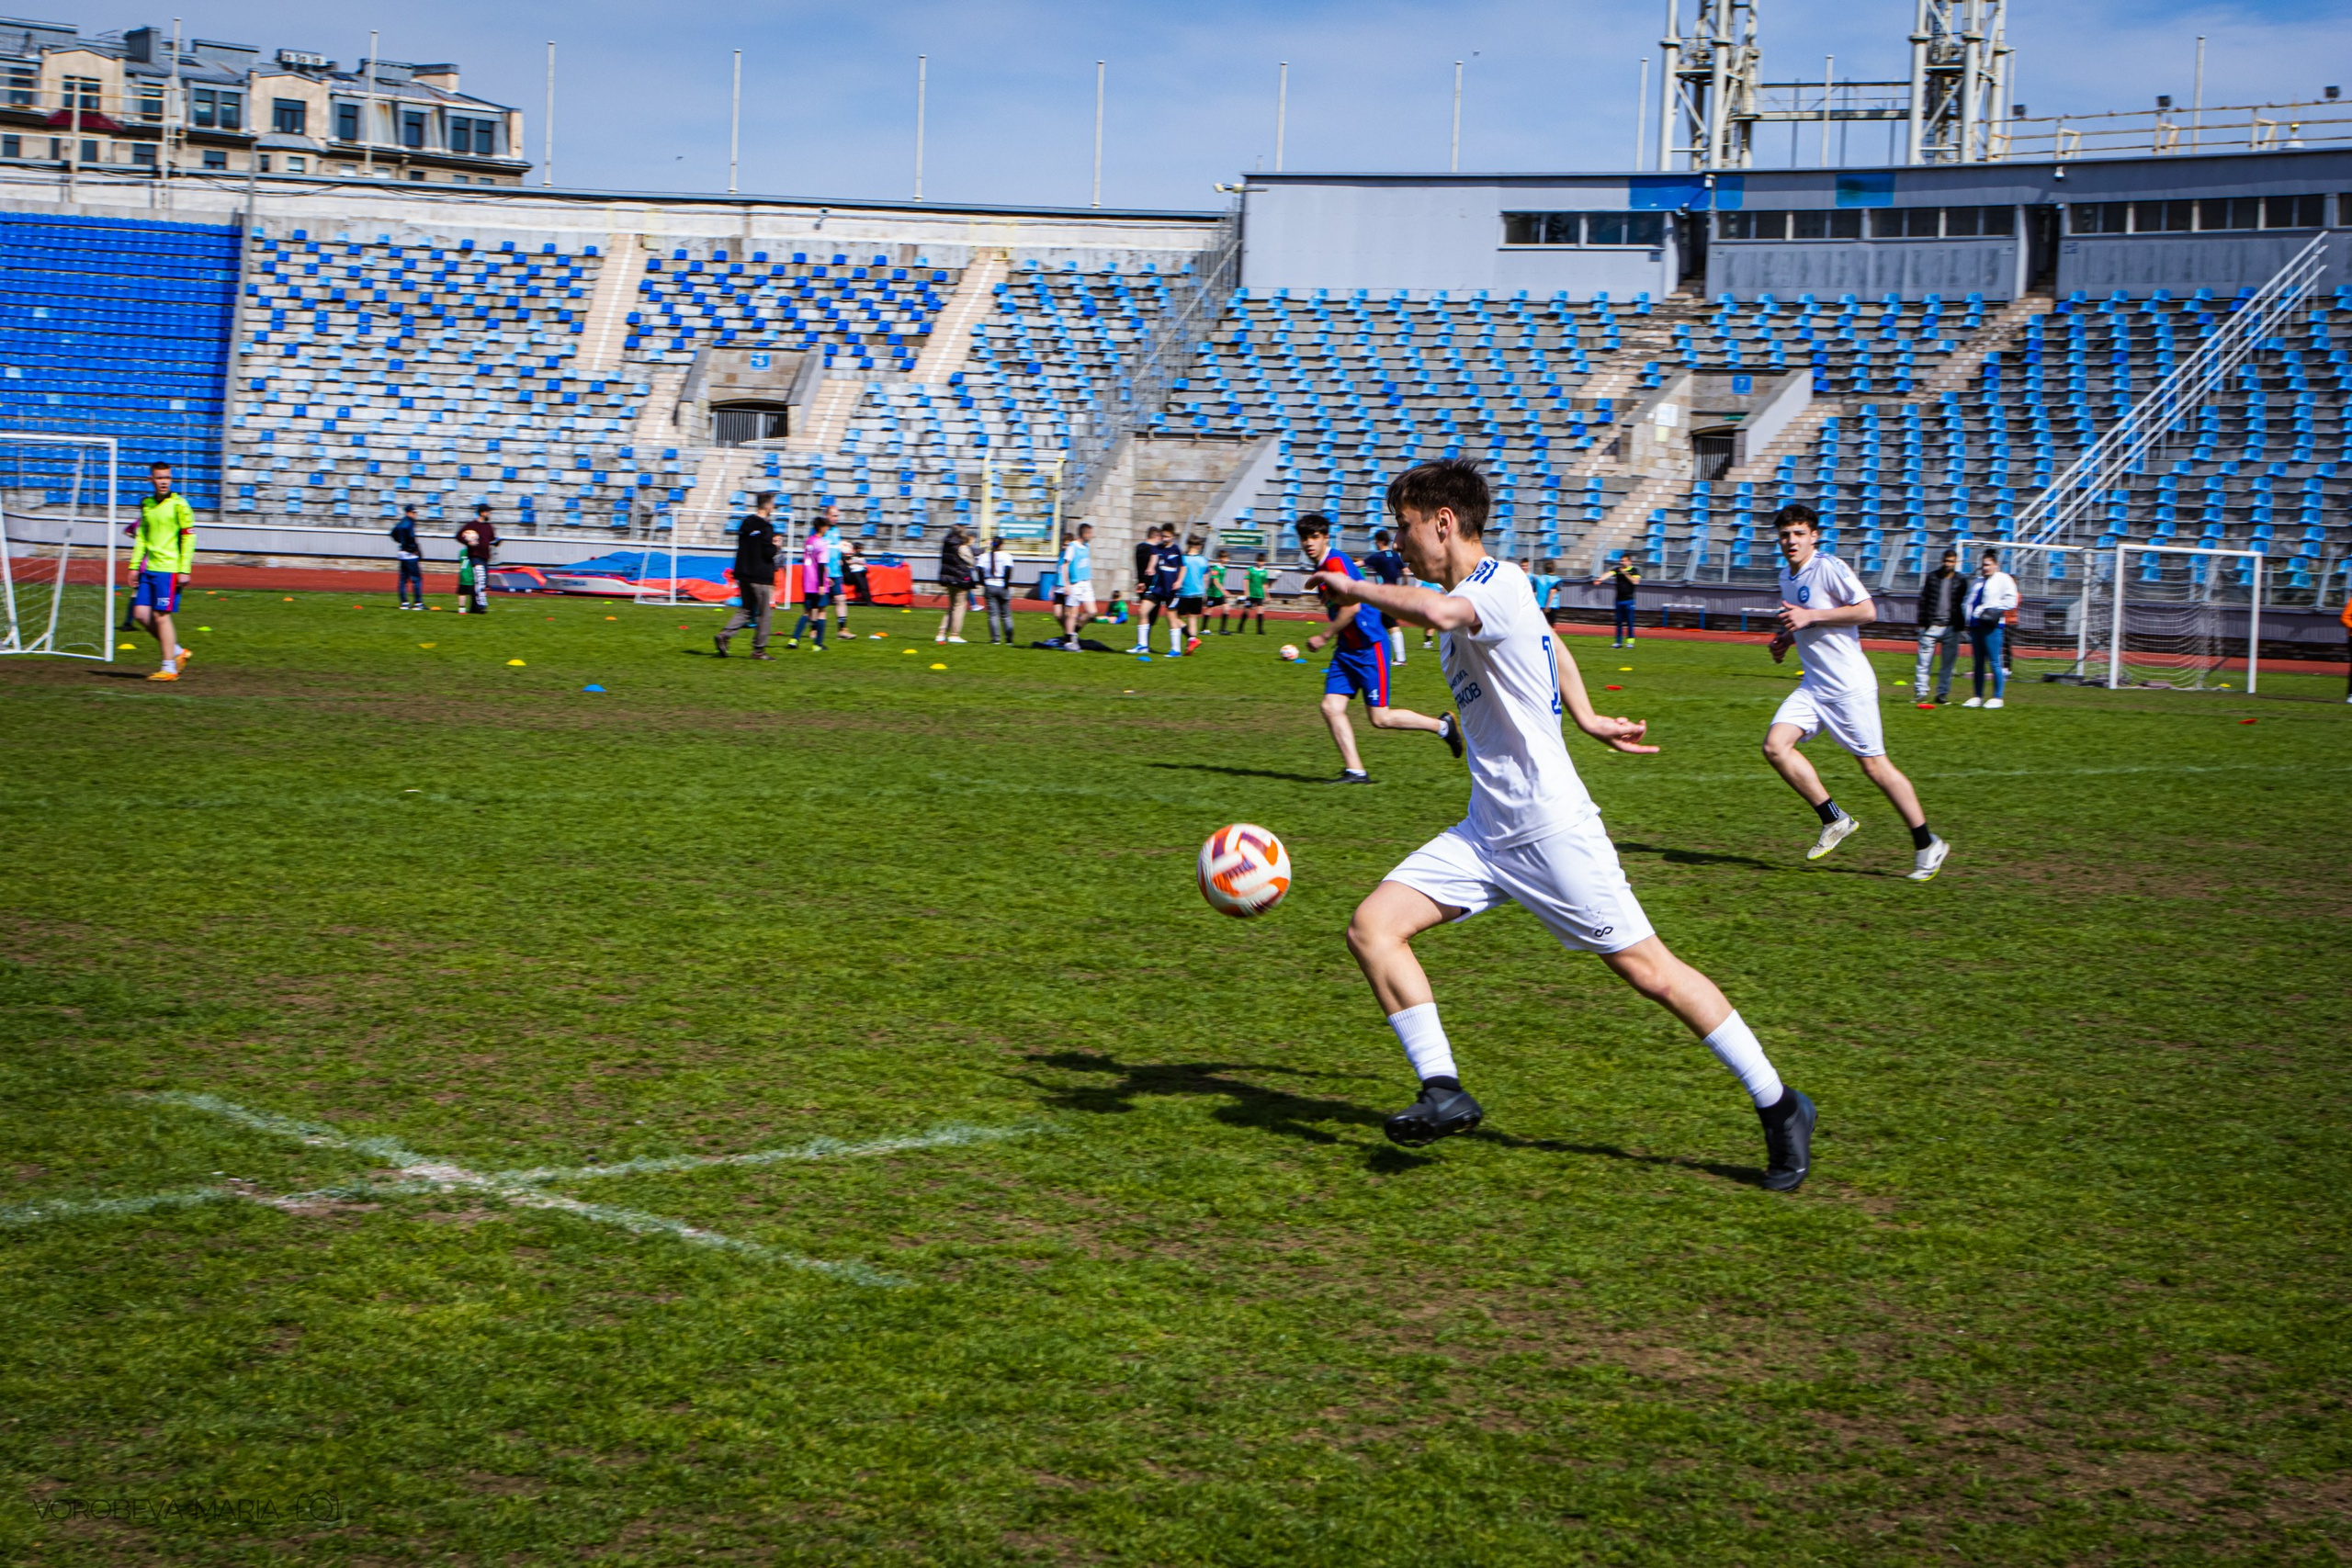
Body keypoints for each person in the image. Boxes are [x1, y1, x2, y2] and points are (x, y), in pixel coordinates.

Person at [1310, 457, 1815, 1190]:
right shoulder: (1480, 598)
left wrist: (1354, 586)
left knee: (1652, 972)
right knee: (1372, 926)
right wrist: (1585, 715)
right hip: (1488, 829)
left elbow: (1458, 616)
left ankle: (1780, 1103)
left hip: (1551, 831)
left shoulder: (1496, 586)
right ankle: (1443, 1087)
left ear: (1444, 524)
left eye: (1406, 527)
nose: (1401, 540)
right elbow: (1553, 644)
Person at [1760, 503, 1950, 882]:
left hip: (1848, 687)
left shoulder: (1829, 566)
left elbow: (1866, 611)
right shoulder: (1786, 574)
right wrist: (1786, 638)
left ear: (1814, 536)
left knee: (1875, 767)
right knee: (1775, 746)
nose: (1791, 541)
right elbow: (1807, 620)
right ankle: (1835, 819)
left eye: (1799, 534)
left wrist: (1810, 616)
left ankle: (1928, 843)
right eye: (1785, 535)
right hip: (1815, 685)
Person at [1295, 512, 1461, 784]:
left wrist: (1323, 637)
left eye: (1315, 536)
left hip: (1369, 646)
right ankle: (1356, 771)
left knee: (1380, 718)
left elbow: (1353, 607)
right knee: (1330, 707)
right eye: (1304, 538)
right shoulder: (1323, 567)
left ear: (1326, 537)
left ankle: (1442, 726)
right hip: (1347, 649)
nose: (1308, 543)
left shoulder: (1335, 563)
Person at [128, 461, 193, 681]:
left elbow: (189, 537)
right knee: (140, 615)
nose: (163, 481)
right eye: (159, 477)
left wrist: (185, 569)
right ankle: (177, 652)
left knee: (160, 615)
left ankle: (169, 668)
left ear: (171, 479)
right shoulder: (146, 505)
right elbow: (142, 538)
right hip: (150, 569)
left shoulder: (179, 505)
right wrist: (134, 566)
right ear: (151, 480)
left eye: (167, 477)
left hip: (169, 569)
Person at [716, 492, 780, 660]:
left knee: (746, 609)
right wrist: (776, 547)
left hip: (743, 573)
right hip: (760, 575)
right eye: (773, 504)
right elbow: (768, 552)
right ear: (767, 506)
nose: (774, 507)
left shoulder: (746, 523)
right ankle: (759, 650)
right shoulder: (766, 528)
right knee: (764, 613)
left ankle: (725, 635)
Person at [1962, 547, 2018, 708]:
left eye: (1988, 564)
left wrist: (1992, 608)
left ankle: (1997, 697)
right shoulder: (1978, 581)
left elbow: (2011, 600)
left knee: (1994, 661)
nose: (1985, 568)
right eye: (1983, 565)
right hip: (1976, 625)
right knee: (1978, 662)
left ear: (1996, 565)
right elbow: (1969, 601)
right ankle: (1977, 696)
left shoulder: (2003, 579)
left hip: (1991, 625)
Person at [1912, 547, 1966, 704]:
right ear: (1942, 561)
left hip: (1951, 626)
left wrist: (1960, 624)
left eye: (1952, 561)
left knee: (1947, 665)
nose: (1948, 564)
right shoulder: (1932, 577)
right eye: (1946, 561)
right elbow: (1923, 601)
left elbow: (1962, 603)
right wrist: (1922, 623)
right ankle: (1921, 693)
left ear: (1956, 563)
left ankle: (1942, 694)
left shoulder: (1961, 581)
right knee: (1923, 662)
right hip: (1931, 626)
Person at [791, 513, 836, 650]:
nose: (828, 529)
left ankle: (794, 639)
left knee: (807, 612)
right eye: (827, 527)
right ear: (822, 528)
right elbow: (821, 565)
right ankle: (817, 644)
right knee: (822, 612)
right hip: (818, 583)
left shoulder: (808, 541)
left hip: (807, 581)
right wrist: (823, 583)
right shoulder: (822, 543)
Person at [1365, 528, 1409, 663]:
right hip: (1394, 594)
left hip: (1383, 596)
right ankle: (1382, 656)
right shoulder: (1395, 556)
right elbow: (1406, 572)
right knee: (1380, 623)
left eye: (1376, 541)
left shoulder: (1377, 557)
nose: (1375, 543)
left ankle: (1401, 659)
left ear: (1380, 542)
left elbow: (1360, 564)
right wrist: (1403, 587)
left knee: (1390, 624)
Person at [1142, 526, 1184, 658]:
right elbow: (1153, 558)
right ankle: (1142, 645)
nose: (1164, 539)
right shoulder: (1158, 548)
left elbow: (1183, 568)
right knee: (1142, 611)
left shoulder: (1176, 550)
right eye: (1163, 536)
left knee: (1171, 617)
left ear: (1172, 536)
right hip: (1157, 588)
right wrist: (1150, 567)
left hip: (1171, 589)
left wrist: (1179, 582)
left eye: (1167, 536)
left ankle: (1176, 650)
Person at [934, 525, 977, 644]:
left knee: (952, 607)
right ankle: (954, 634)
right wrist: (970, 546)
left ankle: (941, 633)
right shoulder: (961, 546)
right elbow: (971, 561)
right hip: (960, 578)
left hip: (948, 578)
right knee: (959, 607)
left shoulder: (946, 544)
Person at [1057, 523, 1096, 649]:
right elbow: (1065, 565)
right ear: (1084, 534)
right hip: (1076, 584)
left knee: (1092, 612)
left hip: (1086, 583)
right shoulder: (1072, 547)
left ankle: (1072, 632)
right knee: (1072, 614)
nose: (1092, 536)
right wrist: (1067, 585)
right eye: (1090, 533)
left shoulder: (1086, 546)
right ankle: (1069, 642)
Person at [455, 504, 496, 615]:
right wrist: (468, 542)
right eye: (488, 512)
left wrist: (496, 542)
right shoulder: (471, 525)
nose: (489, 514)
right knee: (480, 580)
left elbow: (491, 539)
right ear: (482, 513)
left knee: (481, 582)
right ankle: (480, 605)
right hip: (475, 556)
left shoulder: (489, 526)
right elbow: (458, 535)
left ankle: (474, 607)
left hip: (485, 557)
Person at [978, 534, 1018, 645]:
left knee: (993, 614)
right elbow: (1008, 570)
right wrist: (1006, 582)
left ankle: (995, 639)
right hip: (1002, 584)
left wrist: (983, 583)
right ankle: (1009, 639)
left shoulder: (984, 556)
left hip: (989, 584)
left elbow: (979, 570)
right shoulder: (1006, 556)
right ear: (1001, 545)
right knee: (1006, 614)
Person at [1174, 534, 1211, 654]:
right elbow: (1205, 578)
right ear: (1198, 546)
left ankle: (1191, 639)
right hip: (1198, 592)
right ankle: (1190, 646)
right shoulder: (1203, 560)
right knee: (1193, 619)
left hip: (1184, 592)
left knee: (1174, 617)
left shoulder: (1183, 559)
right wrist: (1204, 592)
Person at [1128, 525, 1163, 653]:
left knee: (1148, 615)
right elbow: (1150, 569)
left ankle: (1145, 645)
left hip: (1143, 583)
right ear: (1156, 536)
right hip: (1151, 585)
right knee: (1149, 615)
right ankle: (1143, 645)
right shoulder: (1152, 550)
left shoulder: (1139, 547)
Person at [1595, 555, 1641, 649]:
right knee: (1619, 622)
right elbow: (1608, 574)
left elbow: (1635, 582)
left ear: (1629, 562)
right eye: (1621, 561)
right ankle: (1618, 642)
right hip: (1619, 600)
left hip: (1629, 600)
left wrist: (1625, 573)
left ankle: (1630, 642)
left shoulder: (1634, 570)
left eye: (1623, 561)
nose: (1621, 563)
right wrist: (1600, 579)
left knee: (1629, 622)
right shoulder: (1617, 569)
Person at [390, 503, 425, 610]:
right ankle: (418, 603)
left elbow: (393, 534)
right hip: (410, 554)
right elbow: (411, 537)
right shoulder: (409, 523)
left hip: (402, 553)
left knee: (403, 579)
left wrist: (400, 541)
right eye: (414, 512)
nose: (415, 515)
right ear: (409, 512)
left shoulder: (401, 523)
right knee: (416, 579)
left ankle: (404, 603)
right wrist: (414, 549)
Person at [1204, 547, 1233, 633]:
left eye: (1227, 558)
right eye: (1224, 558)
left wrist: (1222, 591)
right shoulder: (1215, 568)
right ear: (1220, 558)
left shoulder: (1224, 568)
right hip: (1213, 593)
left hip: (1219, 593)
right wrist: (1224, 590)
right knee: (1209, 610)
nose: (1226, 559)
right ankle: (1204, 628)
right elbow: (1215, 581)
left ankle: (1222, 629)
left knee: (1226, 608)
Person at [1243, 554, 1270, 634]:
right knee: (1247, 611)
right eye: (1259, 561)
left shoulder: (1264, 572)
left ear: (1264, 562)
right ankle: (1241, 626)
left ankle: (1260, 630)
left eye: (1262, 561)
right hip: (1251, 594)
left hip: (1259, 594)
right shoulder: (1250, 570)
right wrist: (1246, 592)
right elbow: (1246, 580)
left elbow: (1264, 584)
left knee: (1260, 611)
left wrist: (1267, 595)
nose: (1260, 563)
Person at [842, 536, 873, 606]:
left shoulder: (860, 555)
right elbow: (847, 562)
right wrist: (856, 561)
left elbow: (863, 562)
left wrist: (855, 561)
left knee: (865, 587)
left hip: (861, 571)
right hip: (854, 572)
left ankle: (868, 601)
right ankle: (868, 602)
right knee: (863, 587)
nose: (860, 550)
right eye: (859, 548)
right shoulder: (848, 554)